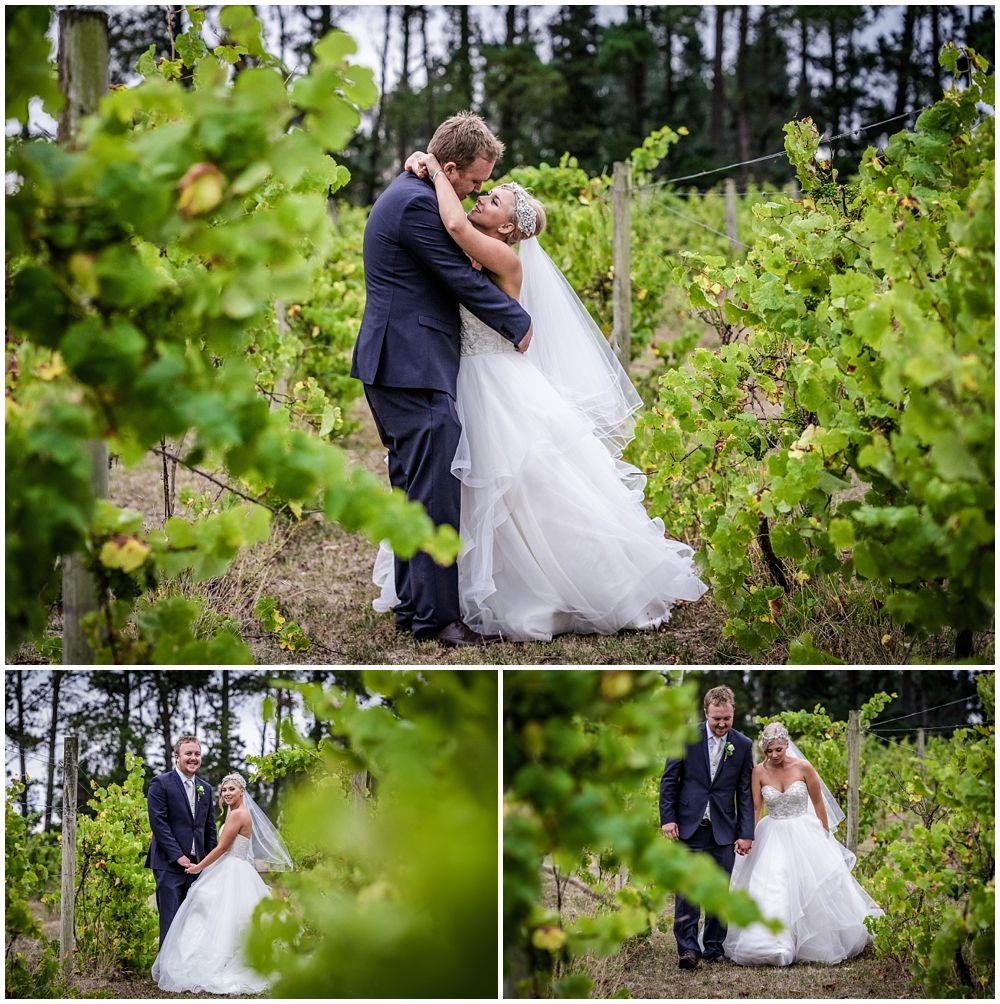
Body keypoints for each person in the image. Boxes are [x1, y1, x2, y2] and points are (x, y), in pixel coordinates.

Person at [370, 146, 706, 641]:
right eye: (483, 187)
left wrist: (434, 170)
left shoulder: (497, 252)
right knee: (460, 487)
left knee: (519, 484)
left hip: (494, 380)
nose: (482, 196)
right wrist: (428, 163)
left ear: (509, 228)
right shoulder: (458, 238)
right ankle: (442, 598)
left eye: (496, 198)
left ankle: (549, 587)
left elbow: (459, 230)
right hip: (458, 374)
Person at [351, 112, 533, 648]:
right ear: (449, 169)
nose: (479, 191)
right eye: (475, 182)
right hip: (409, 364)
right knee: (433, 491)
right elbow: (458, 276)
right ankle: (436, 618)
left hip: (402, 362)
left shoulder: (416, 189)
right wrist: (517, 322)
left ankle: (415, 607)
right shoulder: (415, 205)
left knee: (413, 489)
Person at [723, 722, 883, 966]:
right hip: (773, 832)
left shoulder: (804, 767)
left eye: (778, 749)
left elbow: (819, 803)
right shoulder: (758, 772)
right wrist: (749, 836)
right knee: (774, 883)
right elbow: (756, 808)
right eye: (769, 751)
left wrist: (825, 834)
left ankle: (814, 942)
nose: (774, 755)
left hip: (803, 831)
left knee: (810, 884)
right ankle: (772, 943)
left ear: (787, 745)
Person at [151, 771, 293, 994]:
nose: (226, 793)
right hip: (234, 867)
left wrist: (199, 867)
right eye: (224, 790)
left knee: (218, 913)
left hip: (232, 869)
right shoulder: (236, 812)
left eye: (232, 789)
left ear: (242, 791)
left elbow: (221, 848)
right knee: (222, 915)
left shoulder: (238, 815)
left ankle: (215, 963)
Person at [659, 686, 754, 969]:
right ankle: (688, 949)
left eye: (727, 718)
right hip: (688, 827)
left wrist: (746, 833)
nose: (722, 724)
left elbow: (745, 793)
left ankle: (713, 947)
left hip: (724, 829)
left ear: (733, 713)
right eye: (717, 719)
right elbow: (669, 781)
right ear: (705, 714)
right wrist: (668, 818)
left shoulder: (743, 745)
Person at [145, 735, 218, 948]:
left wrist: (210, 861)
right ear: (177, 757)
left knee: (194, 921)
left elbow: (209, 828)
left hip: (198, 866)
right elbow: (159, 823)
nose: (193, 758)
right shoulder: (161, 783)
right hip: (169, 865)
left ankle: (187, 972)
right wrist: (178, 856)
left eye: (197, 754)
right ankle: (166, 975)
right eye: (188, 753)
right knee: (170, 920)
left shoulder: (205, 788)